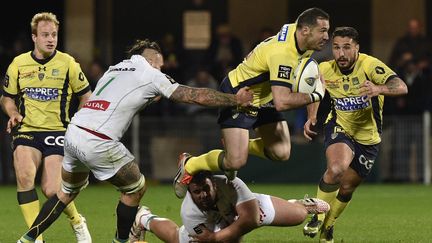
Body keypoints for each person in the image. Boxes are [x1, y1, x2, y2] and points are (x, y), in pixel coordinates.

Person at [17, 39, 253, 243]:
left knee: (65, 193)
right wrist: (235, 99)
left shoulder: (114, 68)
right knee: (136, 188)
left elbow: (121, 98)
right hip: (98, 141)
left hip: (74, 133)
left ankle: (26, 239)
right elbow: (195, 96)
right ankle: (121, 240)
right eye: (160, 67)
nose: (161, 71)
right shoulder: (150, 73)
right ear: (153, 61)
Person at [174, 7, 330, 199]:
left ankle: (237, 143)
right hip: (240, 94)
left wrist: (312, 115)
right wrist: (317, 96)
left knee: (281, 152)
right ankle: (190, 164)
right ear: (305, 30)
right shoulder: (283, 54)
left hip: (265, 96)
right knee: (235, 162)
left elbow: (312, 78)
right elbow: (282, 102)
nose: (326, 36)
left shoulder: (299, 36)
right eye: (323, 31)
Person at [302, 27, 408, 243]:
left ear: (356, 48)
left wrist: (379, 89)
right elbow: (314, 94)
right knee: (336, 168)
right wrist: (312, 117)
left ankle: (328, 227)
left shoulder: (369, 65)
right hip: (339, 126)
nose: (340, 54)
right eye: (336, 47)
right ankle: (317, 215)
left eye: (346, 48)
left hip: (368, 138)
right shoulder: (324, 68)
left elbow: (401, 86)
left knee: (347, 187)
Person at [1, 12, 92, 243]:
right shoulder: (19, 64)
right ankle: (37, 238)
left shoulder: (68, 63)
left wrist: (79, 120)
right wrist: (12, 113)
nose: (50, 39)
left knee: (52, 190)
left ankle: (77, 221)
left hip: (58, 131)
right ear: (34, 37)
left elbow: (87, 96)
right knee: (24, 175)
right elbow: (6, 98)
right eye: (45, 35)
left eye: (54, 34)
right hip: (27, 130)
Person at [130, 171, 330, 242]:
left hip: (246, 210)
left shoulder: (231, 184)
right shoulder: (190, 213)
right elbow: (211, 239)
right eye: (196, 192)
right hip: (211, 223)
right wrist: (216, 238)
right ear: (190, 192)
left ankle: (297, 204)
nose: (202, 195)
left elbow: (248, 221)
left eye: (206, 189)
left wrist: (218, 237)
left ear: (213, 183)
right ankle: (143, 218)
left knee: (299, 216)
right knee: (176, 238)